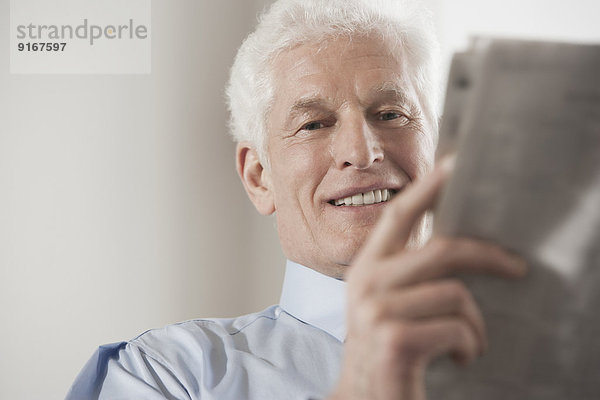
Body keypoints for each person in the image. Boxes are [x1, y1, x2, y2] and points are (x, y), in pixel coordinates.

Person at [66, 0, 526, 399]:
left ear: (444, 149)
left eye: (391, 114)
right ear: (259, 176)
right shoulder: (166, 375)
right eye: (314, 124)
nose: (361, 152)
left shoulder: (555, 358)